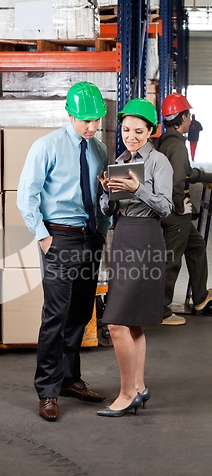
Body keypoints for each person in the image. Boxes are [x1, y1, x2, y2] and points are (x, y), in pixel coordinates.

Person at [17, 81, 111, 422]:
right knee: (56, 316)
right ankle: (47, 390)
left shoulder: (99, 150)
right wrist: (44, 238)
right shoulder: (47, 147)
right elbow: (26, 196)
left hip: (89, 239)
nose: (92, 126)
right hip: (59, 238)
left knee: (81, 313)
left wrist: (102, 230)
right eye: (86, 119)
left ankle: (71, 379)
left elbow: (101, 198)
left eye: (97, 119)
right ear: (69, 114)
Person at [97, 98, 173, 417]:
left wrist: (137, 187)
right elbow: (109, 209)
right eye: (126, 130)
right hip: (124, 234)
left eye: (138, 131)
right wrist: (106, 193)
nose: (131, 135)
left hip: (145, 237)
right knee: (132, 322)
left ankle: (127, 393)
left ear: (151, 131)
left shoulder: (159, 163)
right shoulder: (120, 160)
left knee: (115, 322)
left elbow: (166, 207)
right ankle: (139, 388)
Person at [154, 94, 212, 326]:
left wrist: (203, 175)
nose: (191, 119)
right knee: (172, 259)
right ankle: (161, 310)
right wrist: (180, 206)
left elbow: (185, 173)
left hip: (172, 210)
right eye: (188, 115)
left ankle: (199, 298)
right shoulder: (177, 145)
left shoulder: (166, 142)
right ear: (182, 117)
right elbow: (178, 180)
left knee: (196, 247)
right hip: (175, 213)